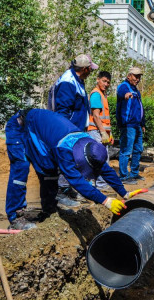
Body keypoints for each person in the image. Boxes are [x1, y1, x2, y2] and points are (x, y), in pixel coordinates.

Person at [16, 109, 146, 226]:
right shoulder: (64, 151)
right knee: (47, 170)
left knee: (50, 171)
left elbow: (106, 170)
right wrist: (105, 200)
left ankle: (50, 209)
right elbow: (77, 181)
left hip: (48, 128)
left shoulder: (91, 146)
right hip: (30, 123)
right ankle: (43, 212)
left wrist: (124, 193)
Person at [48, 54, 98, 204]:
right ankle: (60, 192)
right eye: (90, 69)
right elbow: (63, 110)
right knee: (65, 158)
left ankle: (67, 189)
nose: (91, 72)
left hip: (75, 129)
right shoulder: (67, 82)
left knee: (73, 159)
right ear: (84, 69)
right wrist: (66, 132)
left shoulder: (78, 81)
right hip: (67, 130)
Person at [5, 112, 35, 230]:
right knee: (20, 169)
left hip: (29, 127)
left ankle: (21, 208)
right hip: (19, 127)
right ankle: (15, 215)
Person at [116, 67, 146, 184]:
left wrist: (142, 123)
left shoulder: (136, 90)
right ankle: (123, 176)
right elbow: (121, 93)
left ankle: (134, 173)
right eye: (135, 76)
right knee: (126, 150)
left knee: (138, 149)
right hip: (128, 124)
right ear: (129, 76)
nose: (138, 79)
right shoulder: (124, 86)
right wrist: (126, 95)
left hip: (137, 125)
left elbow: (140, 108)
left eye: (139, 77)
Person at [88, 71, 113, 190]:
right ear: (98, 79)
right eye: (104, 81)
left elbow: (105, 118)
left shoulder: (102, 95)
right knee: (101, 158)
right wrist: (103, 132)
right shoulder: (96, 94)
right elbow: (96, 116)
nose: (106, 84)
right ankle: (101, 186)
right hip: (96, 131)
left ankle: (96, 184)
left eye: (108, 82)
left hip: (100, 131)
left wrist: (109, 133)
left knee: (100, 158)